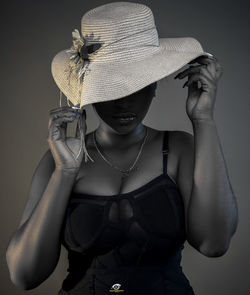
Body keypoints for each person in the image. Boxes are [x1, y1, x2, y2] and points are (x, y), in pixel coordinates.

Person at [6, 2, 238, 295]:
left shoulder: (179, 149)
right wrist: (65, 173)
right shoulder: (59, 160)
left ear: (154, 85)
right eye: (110, 88)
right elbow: (24, 275)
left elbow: (214, 244)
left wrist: (203, 120)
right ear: (86, 90)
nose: (124, 102)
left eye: (136, 85)